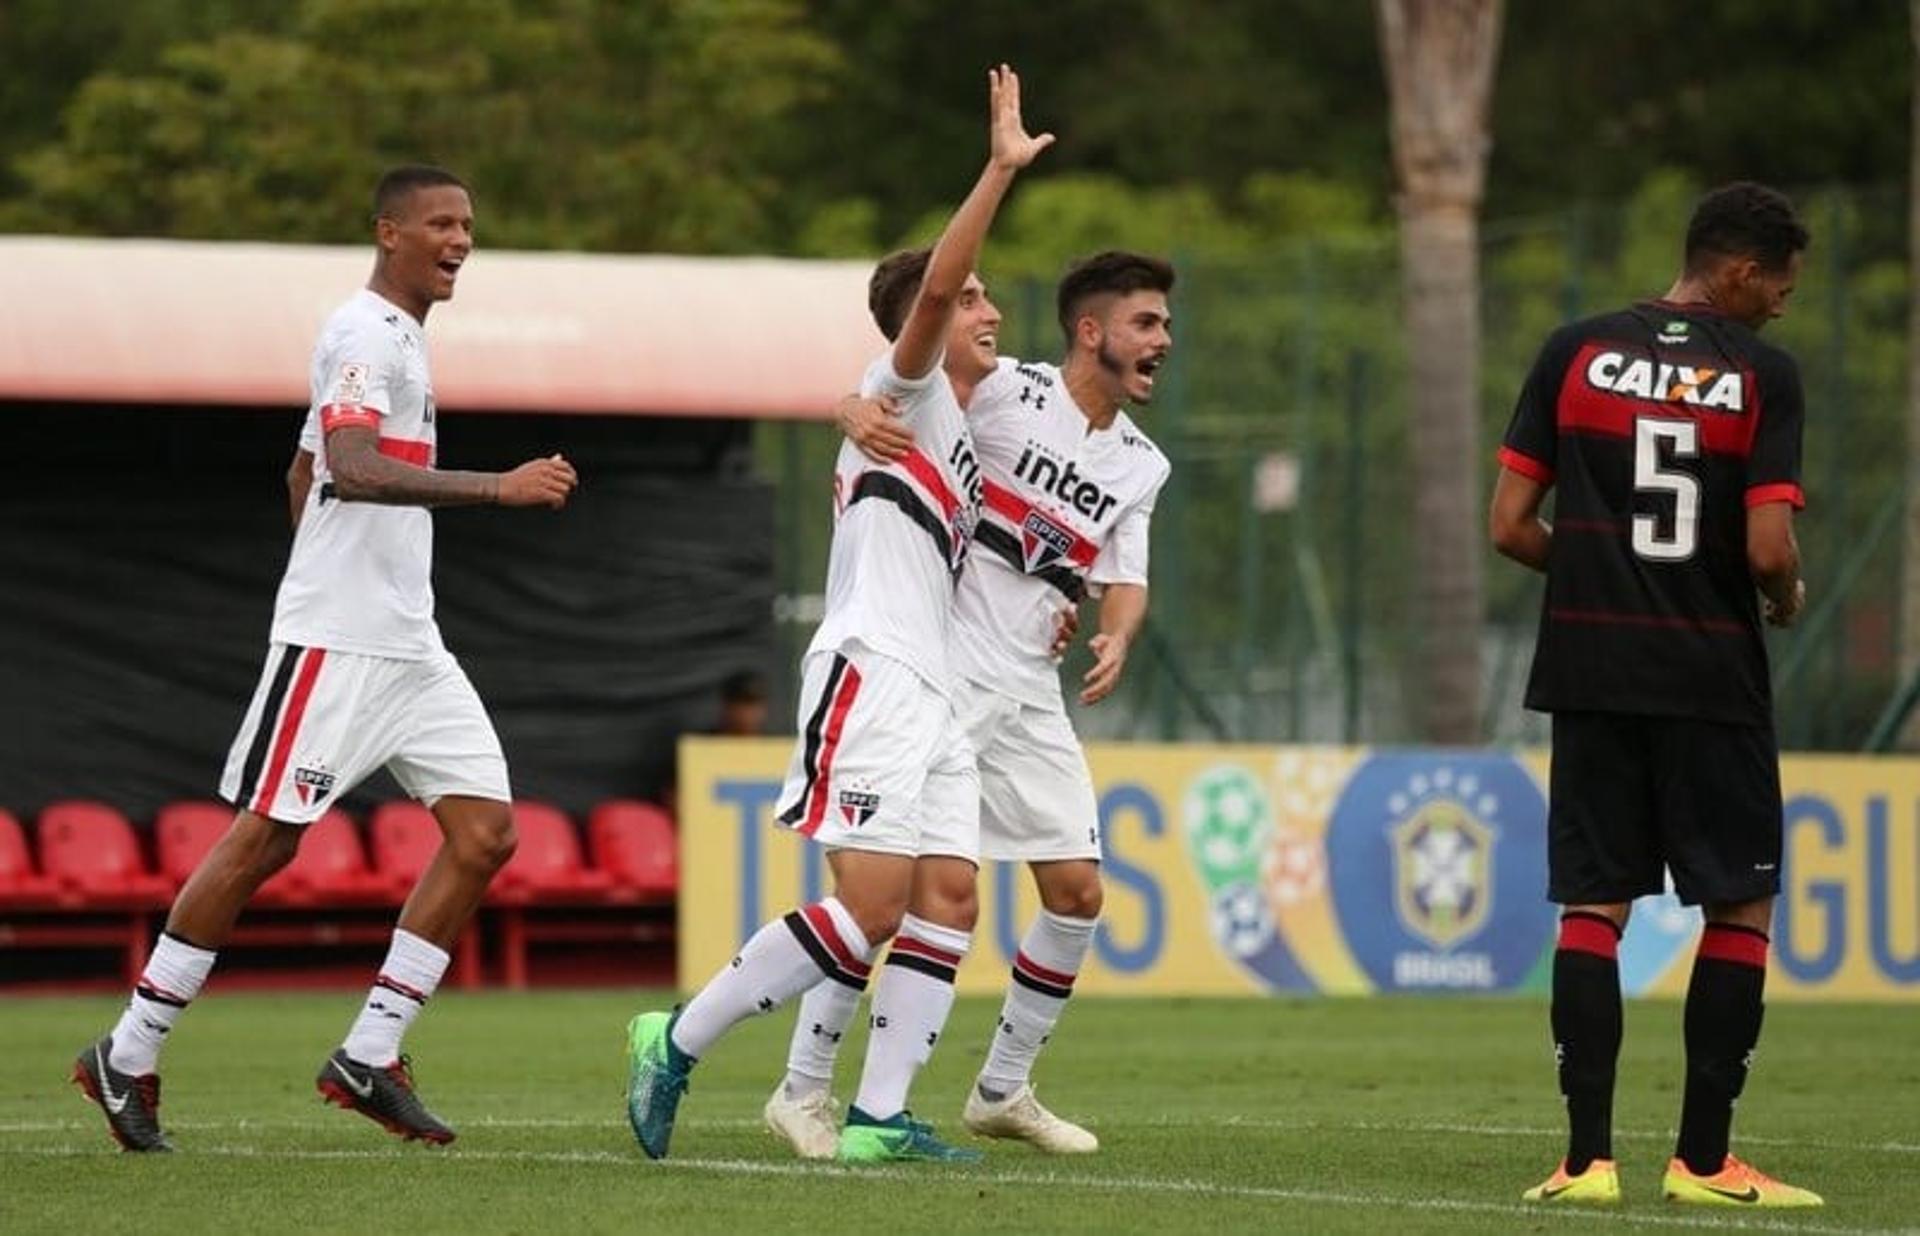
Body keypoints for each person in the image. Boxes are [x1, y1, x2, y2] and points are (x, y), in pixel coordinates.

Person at [72, 165, 578, 1152]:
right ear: (388, 231)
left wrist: (345, 556)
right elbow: (347, 468)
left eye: (469, 224)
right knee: (267, 841)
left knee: (485, 835)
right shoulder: (360, 330)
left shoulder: (401, 341)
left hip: (408, 643)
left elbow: (306, 465)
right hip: (339, 642)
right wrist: (497, 492)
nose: (460, 240)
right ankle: (126, 1054)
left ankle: (369, 1055)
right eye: (440, 222)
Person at [622, 65, 1052, 1165]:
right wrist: (998, 170)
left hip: (938, 696)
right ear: (924, 320)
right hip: (872, 671)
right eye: (970, 298)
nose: (987, 306)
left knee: (949, 896)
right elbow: (930, 291)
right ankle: (674, 1038)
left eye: (988, 295)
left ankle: (877, 1118)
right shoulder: (903, 389)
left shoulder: (953, 423)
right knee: (867, 908)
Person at [764, 251, 1173, 1158]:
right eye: (1148, 324)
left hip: (1029, 690)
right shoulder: (1004, 390)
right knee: (892, 898)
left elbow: (1126, 576)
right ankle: (807, 1086)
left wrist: (1118, 632)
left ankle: (1002, 1089)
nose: (1163, 342)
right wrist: (847, 408)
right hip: (941, 668)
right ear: (1091, 331)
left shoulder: (1143, 465)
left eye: (1165, 325)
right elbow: (902, 382)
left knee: (1077, 891)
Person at [1490, 181, 1820, 1209]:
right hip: (1708, 673)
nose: (1783, 304)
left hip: (1589, 672)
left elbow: (1507, 524)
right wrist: (1787, 590)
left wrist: (1595, 574)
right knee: (1740, 899)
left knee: (1595, 902)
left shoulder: (1574, 350)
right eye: (1778, 283)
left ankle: (1586, 1163)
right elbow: (1768, 544)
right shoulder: (1762, 374)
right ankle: (1706, 1162)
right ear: (1735, 271)